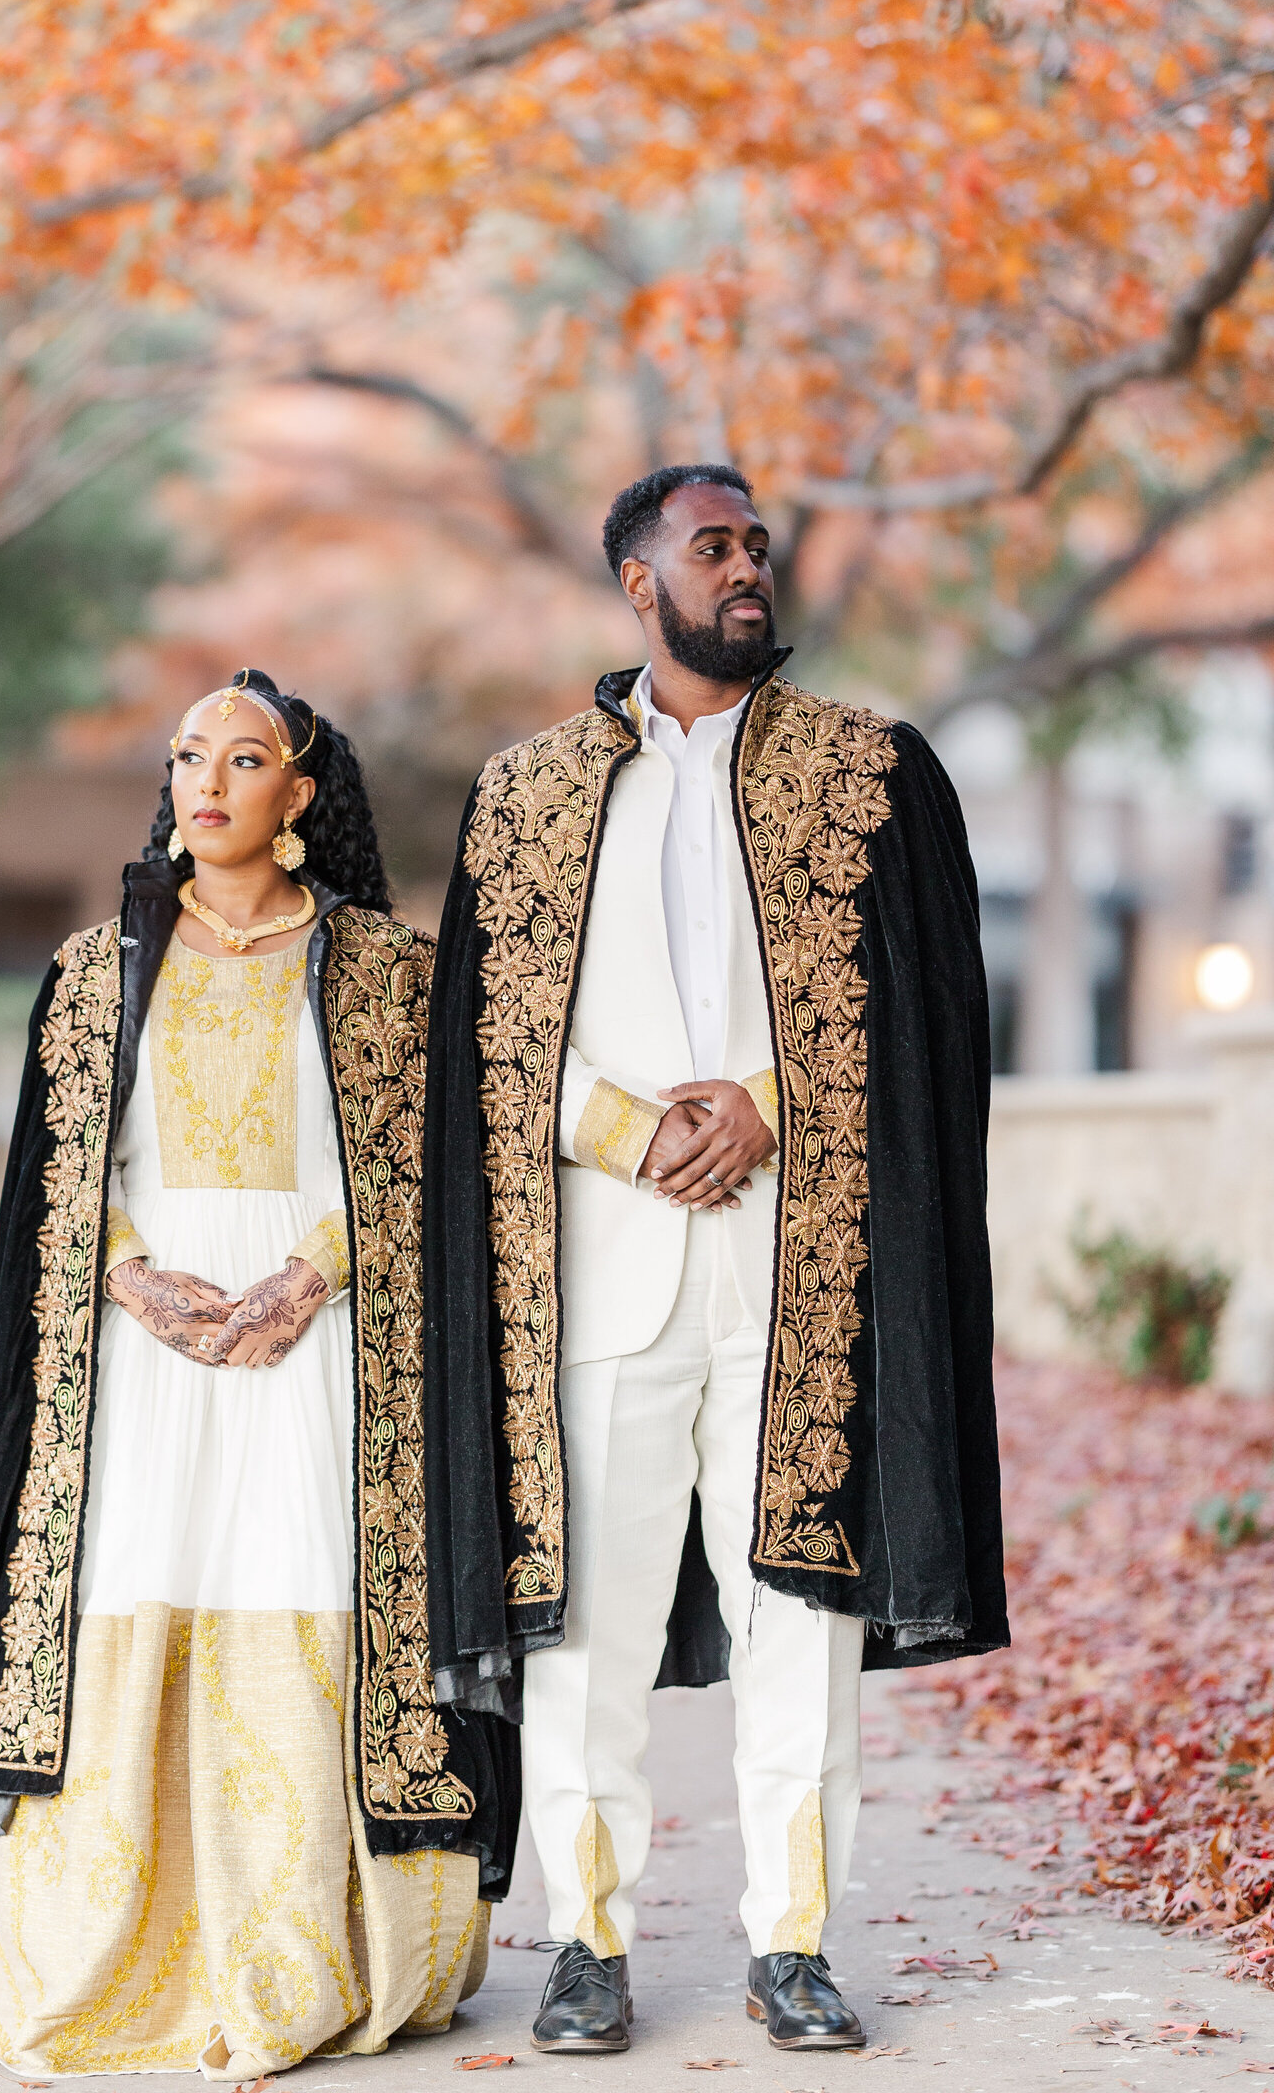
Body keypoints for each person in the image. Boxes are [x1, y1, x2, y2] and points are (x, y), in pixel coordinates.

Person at [0, 669, 518, 2082]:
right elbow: (57, 1174)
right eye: (185, 757)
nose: (205, 780)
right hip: (147, 1351)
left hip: (319, 1342)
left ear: (300, 794)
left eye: (244, 757)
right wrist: (130, 1272)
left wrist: (314, 1272)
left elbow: (430, 1173)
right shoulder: (99, 968)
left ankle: (300, 1951)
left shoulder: (386, 970)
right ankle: (104, 1936)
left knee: (299, 1581)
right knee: (140, 1581)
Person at [422, 466, 1007, 2059]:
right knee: (587, 1638)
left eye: (755, 546)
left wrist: (759, 1104)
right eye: (713, 547)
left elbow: (935, 1023)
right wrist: (621, 1128)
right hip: (599, 1279)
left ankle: (796, 1945)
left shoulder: (874, 772)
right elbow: (473, 1047)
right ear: (638, 582)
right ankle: (589, 1943)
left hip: (801, 1275)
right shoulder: (527, 794)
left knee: (799, 1625)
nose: (748, 568)